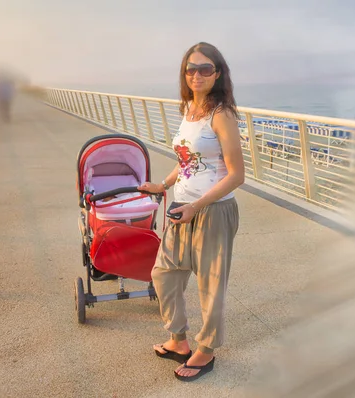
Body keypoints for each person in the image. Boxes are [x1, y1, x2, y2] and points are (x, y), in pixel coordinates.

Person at [138, 42, 245, 381]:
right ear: (184, 74)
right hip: (182, 208)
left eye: (205, 69)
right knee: (164, 274)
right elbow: (186, 161)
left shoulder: (221, 115)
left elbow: (236, 174)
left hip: (212, 211)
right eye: (191, 69)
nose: (197, 75)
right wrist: (163, 185)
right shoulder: (188, 110)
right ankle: (178, 340)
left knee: (210, 286)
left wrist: (197, 206)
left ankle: (206, 350)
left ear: (218, 73)